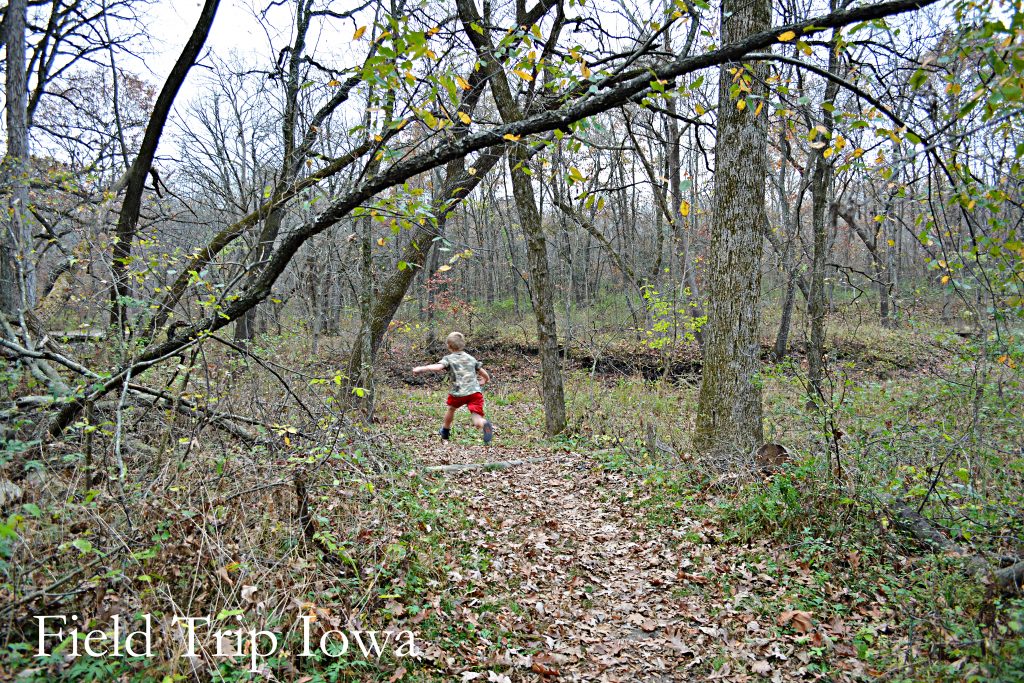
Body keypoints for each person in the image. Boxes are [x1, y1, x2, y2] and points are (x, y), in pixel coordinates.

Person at [412, 331, 493, 444]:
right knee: (477, 418)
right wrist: (485, 379)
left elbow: (438, 367)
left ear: (448, 346)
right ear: (463, 344)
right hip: (474, 392)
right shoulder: (470, 358)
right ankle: (484, 424)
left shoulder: (449, 358)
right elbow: (482, 371)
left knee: (451, 409)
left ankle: (445, 430)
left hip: (458, 393)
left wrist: (422, 368)